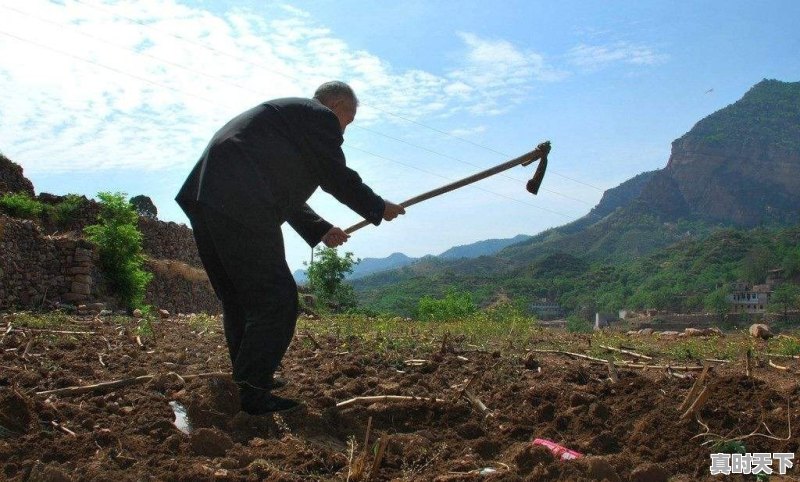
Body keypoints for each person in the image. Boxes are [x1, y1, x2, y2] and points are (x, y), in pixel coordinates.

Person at [176, 81, 405, 414]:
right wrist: (377, 206)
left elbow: (278, 187)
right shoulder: (319, 117)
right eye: (348, 120)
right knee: (277, 298)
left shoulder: (288, 120)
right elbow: (335, 175)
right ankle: (254, 391)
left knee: (240, 298)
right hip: (241, 200)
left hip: (207, 195)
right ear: (337, 104)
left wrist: (321, 228)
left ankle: (249, 381)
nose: (344, 131)